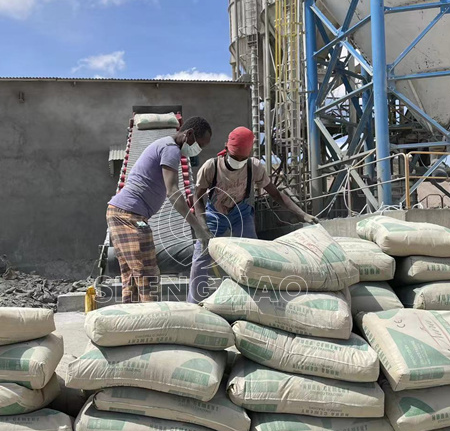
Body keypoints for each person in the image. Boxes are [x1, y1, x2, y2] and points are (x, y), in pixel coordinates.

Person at [187, 126, 318, 304]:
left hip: (240, 212)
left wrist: (302, 214)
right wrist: (202, 226)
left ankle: (253, 301)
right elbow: (198, 197)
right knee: (201, 258)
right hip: (214, 214)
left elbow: (276, 194)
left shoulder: (254, 167)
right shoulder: (211, 167)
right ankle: (194, 302)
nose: (238, 161)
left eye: (243, 158)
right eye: (234, 158)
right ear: (226, 147)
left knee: (253, 256)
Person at [107, 116, 214, 303]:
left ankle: (136, 319)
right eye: (199, 144)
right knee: (143, 271)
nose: (198, 150)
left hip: (136, 217)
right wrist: (197, 227)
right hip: (125, 215)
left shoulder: (168, 147)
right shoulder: (170, 149)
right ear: (188, 134)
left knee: (141, 272)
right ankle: (148, 319)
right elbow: (173, 191)